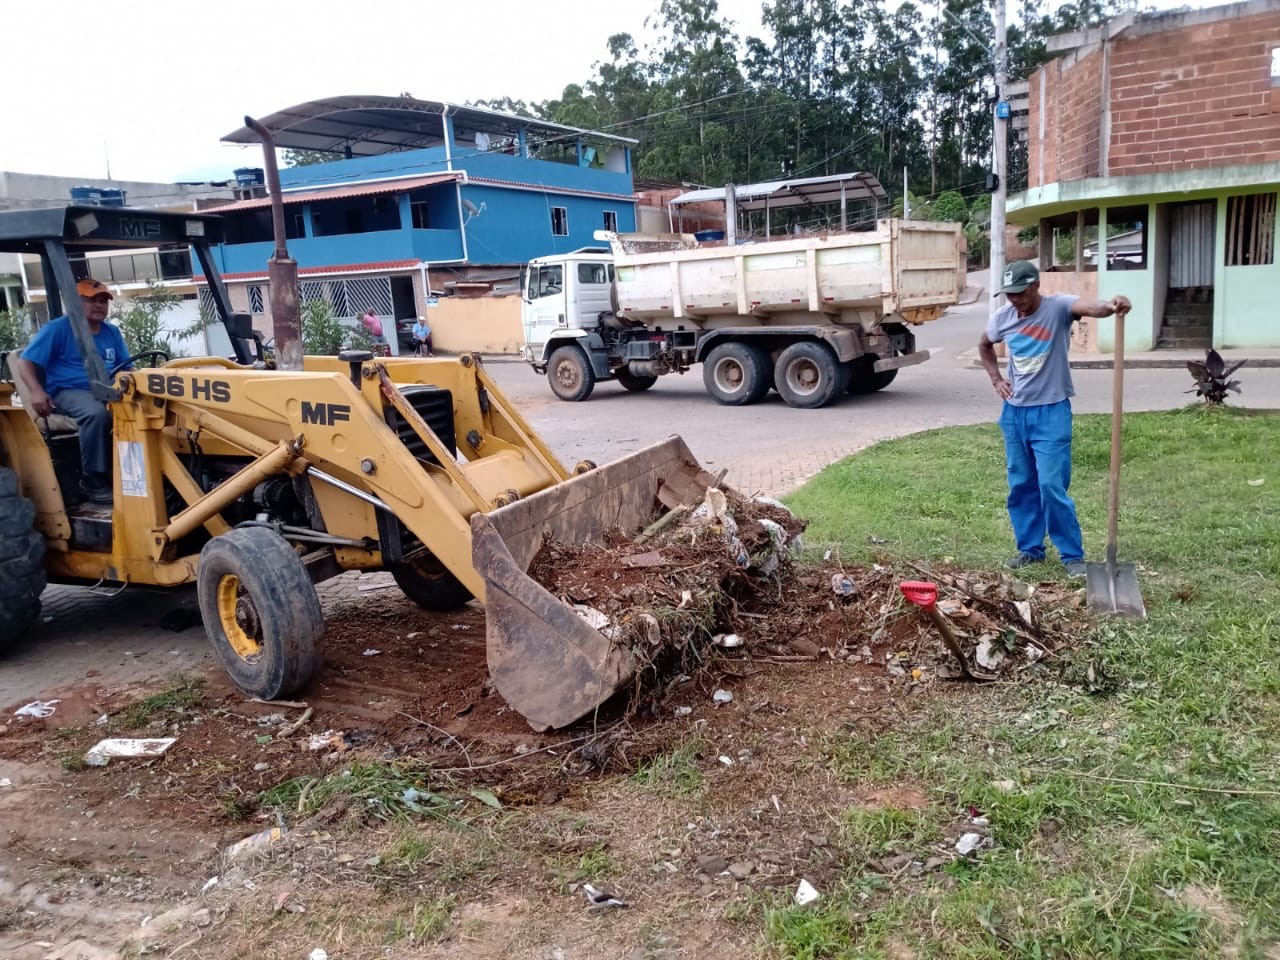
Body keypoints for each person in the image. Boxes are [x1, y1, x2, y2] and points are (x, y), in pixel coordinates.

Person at [978, 260, 1131, 578]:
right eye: (1009, 295)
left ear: (1035, 286)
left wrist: (1110, 305)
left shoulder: (1058, 307)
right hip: (1014, 413)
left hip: (1051, 411)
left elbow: (1090, 307)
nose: (1015, 300)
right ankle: (1030, 550)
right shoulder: (1002, 318)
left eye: (1020, 293)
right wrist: (996, 379)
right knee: (1021, 484)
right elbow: (984, 344)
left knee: (1051, 485)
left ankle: (1072, 555)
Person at [12, 278, 132, 504]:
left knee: (146, 411)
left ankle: (132, 473)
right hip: (67, 391)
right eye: (91, 300)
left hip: (106, 389)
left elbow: (127, 366)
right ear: (75, 303)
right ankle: (92, 479)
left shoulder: (111, 332)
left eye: (103, 301)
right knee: (95, 414)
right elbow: (25, 362)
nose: (99, 306)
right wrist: (37, 392)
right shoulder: (58, 329)